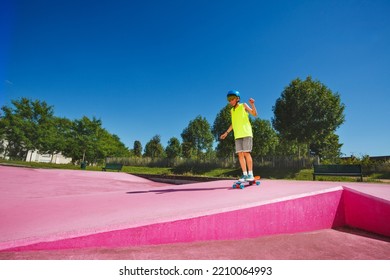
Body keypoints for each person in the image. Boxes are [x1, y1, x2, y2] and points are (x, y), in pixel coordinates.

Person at [220, 90, 258, 182]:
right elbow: (233, 123)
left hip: (246, 133)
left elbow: (254, 114)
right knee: (240, 155)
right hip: (237, 135)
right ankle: (245, 175)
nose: (230, 101)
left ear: (237, 99)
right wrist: (226, 133)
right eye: (228, 99)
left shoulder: (243, 105)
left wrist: (252, 104)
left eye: (232, 98)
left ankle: (250, 174)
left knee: (246, 153)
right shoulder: (232, 111)